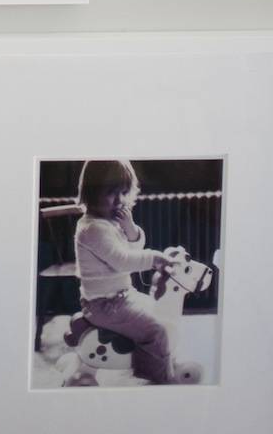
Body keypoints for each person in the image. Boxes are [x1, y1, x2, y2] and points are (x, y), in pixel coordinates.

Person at [73, 160, 183, 384]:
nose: (120, 201)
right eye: (112, 193)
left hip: (121, 296)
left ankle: (159, 359)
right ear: (92, 193)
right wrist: (154, 259)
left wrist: (129, 228)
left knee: (162, 313)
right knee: (156, 330)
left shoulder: (108, 222)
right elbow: (123, 261)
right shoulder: (93, 229)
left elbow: (132, 249)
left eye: (124, 193)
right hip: (105, 305)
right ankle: (159, 380)